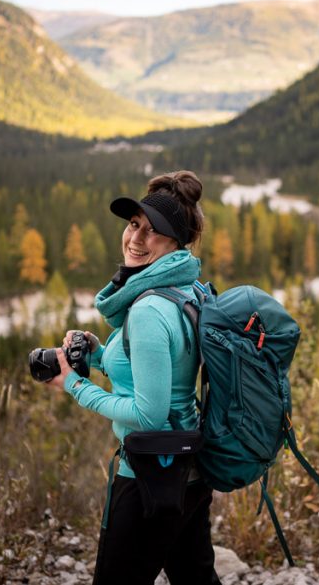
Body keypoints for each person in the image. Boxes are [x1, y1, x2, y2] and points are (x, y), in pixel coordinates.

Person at [45, 170, 220, 584]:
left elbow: (149, 413)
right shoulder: (188, 290)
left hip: (148, 479)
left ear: (176, 242)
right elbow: (168, 370)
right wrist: (100, 355)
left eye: (153, 231)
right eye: (134, 224)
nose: (135, 239)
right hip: (190, 474)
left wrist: (74, 384)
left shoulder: (146, 310)